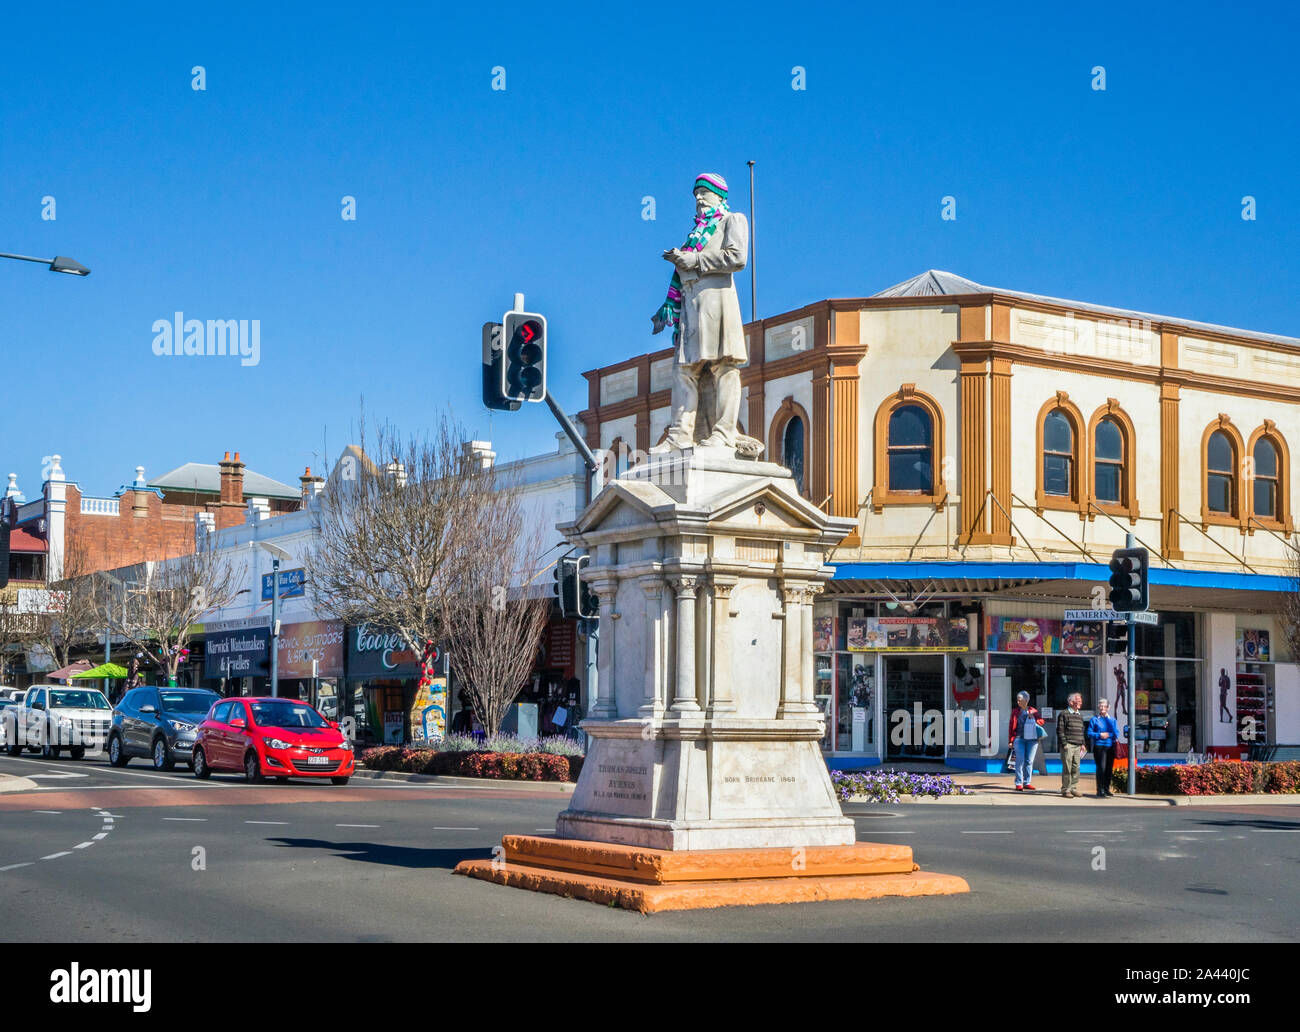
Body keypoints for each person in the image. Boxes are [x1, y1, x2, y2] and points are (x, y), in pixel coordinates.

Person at [650, 173, 751, 454]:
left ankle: (724, 433)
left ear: (720, 196)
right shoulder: (694, 235)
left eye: (704, 193)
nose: (698, 198)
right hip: (692, 307)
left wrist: (693, 259)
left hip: (718, 305)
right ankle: (680, 436)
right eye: (695, 194)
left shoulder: (733, 220)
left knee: (724, 367)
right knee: (684, 370)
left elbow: (736, 257)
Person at [1008, 691, 1046, 791]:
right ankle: (1018, 783)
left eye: (1020, 700)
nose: (1018, 702)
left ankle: (1027, 782)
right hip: (1019, 739)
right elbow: (1011, 726)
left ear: (1026, 700)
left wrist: (1034, 718)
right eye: (1017, 700)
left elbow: (1041, 722)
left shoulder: (1033, 710)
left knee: (1029, 761)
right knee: (1019, 761)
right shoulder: (1016, 712)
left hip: (1032, 740)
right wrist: (1011, 740)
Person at [1056, 692, 1088, 798]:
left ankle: (1073, 788)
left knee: (1076, 768)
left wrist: (1083, 744)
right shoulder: (1064, 714)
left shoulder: (1079, 715)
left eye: (1080, 701)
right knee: (1067, 768)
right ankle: (1066, 790)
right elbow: (1060, 730)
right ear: (1071, 702)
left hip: (1078, 746)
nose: (1080, 703)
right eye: (1078, 701)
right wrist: (1064, 744)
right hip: (1068, 745)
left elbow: (1081, 731)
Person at [1088, 698, 1119, 797]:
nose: (1102, 708)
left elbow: (1116, 733)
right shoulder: (1094, 719)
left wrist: (1108, 735)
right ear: (1098, 707)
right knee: (1101, 768)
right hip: (1099, 746)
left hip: (1110, 746)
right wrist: (1099, 735)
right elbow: (1089, 733)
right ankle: (1100, 789)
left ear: (1108, 707)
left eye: (1104, 706)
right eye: (1100, 706)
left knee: (1109, 768)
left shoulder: (1112, 720)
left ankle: (1106, 789)